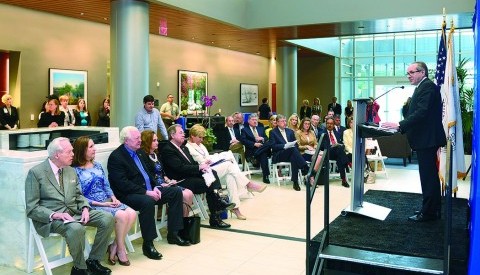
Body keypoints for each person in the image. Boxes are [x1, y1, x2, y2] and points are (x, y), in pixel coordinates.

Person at [25, 137, 114, 275]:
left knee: (107, 218)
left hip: (74, 212)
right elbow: (32, 208)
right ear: (57, 155)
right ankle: (79, 268)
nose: (73, 154)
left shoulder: (69, 170)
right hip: (53, 218)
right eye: (69, 152)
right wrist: (56, 214)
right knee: (76, 228)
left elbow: (79, 195)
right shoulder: (36, 173)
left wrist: (85, 208)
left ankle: (93, 260)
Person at [107, 126, 190, 261]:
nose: (140, 140)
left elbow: (149, 173)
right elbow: (122, 184)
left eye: (140, 137)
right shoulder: (117, 157)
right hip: (128, 194)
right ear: (126, 141)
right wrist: (147, 192)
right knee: (147, 202)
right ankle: (148, 244)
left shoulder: (139, 152)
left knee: (175, 192)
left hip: (149, 189)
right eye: (136, 138)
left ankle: (173, 234)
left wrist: (156, 186)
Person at [382, 61, 446, 222]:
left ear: (422, 72)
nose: (408, 76)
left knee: (428, 177)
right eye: (407, 73)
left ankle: (430, 212)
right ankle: (430, 209)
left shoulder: (428, 87)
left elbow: (421, 113)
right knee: (428, 176)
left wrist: (399, 124)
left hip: (427, 139)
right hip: (425, 139)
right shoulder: (422, 87)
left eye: (411, 72)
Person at [72, 136, 137, 266]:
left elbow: (106, 185)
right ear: (82, 150)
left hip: (107, 200)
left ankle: (114, 246)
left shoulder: (98, 165)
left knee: (132, 213)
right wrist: (103, 204)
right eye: (91, 147)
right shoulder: (74, 170)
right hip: (92, 205)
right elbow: (78, 196)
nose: (94, 149)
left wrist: (113, 198)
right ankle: (121, 249)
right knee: (122, 215)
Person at [160, 124, 236, 228]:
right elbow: (179, 168)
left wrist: (202, 168)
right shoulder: (168, 149)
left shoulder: (183, 148)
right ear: (172, 135)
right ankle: (216, 212)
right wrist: (199, 168)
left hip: (190, 176)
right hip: (180, 180)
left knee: (211, 172)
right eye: (181, 133)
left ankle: (217, 205)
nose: (184, 135)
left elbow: (191, 164)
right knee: (209, 185)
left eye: (183, 132)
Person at [185, 124, 267, 220]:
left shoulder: (200, 145)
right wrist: (211, 160)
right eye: (200, 137)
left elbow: (207, 157)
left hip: (212, 169)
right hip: (204, 173)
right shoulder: (188, 148)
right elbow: (201, 163)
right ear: (192, 136)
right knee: (229, 165)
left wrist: (217, 157)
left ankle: (235, 208)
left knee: (230, 176)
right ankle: (248, 184)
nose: (202, 140)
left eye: (203, 137)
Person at [138, 130, 194, 217]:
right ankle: (181, 223)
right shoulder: (143, 157)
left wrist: (168, 180)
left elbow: (162, 172)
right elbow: (149, 175)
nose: (157, 143)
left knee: (189, 193)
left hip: (164, 183)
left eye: (157, 140)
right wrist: (161, 183)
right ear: (146, 142)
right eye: (154, 141)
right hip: (155, 186)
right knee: (185, 195)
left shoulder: (157, 155)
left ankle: (184, 221)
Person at [269, 114, 309, 191]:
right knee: (292, 149)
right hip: (279, 154)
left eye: (285, 121)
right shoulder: (273, 132)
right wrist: (284, 146)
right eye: (282, 121)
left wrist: (291, 146)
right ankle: (305, 167)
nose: (284, 123)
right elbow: (273, 146)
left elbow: (296, 145)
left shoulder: (290, 131)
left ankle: (295, 182)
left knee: (294, 156)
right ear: (277, 123)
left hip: (291, 154)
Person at [320, 117, 350, 188]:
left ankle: (343, 180)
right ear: (326, 124)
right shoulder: (322, 133)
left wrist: (339, 145)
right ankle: (347, 163)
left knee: (340, 157)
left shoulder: (337, 133)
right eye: (328, 123)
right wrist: (333, 146)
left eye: (331, 124)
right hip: (327, 152)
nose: (329, 125)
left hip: (337, 153)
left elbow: (342, 145)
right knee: (339, 150)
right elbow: (323, 146)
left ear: (334, 125)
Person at [241, 113, 271, 183]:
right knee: (264, 154)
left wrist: (262, 138)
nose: (255, 121)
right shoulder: (244, 130)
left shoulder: (261, 129)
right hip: (251, 150)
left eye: (256, 120)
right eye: (253, 120)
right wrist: (254, 144)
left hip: (261, 148)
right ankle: (265, 176)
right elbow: (243, 140)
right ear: (248, 121)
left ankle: (265, 175)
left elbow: (266, 138)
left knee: (269, 144)